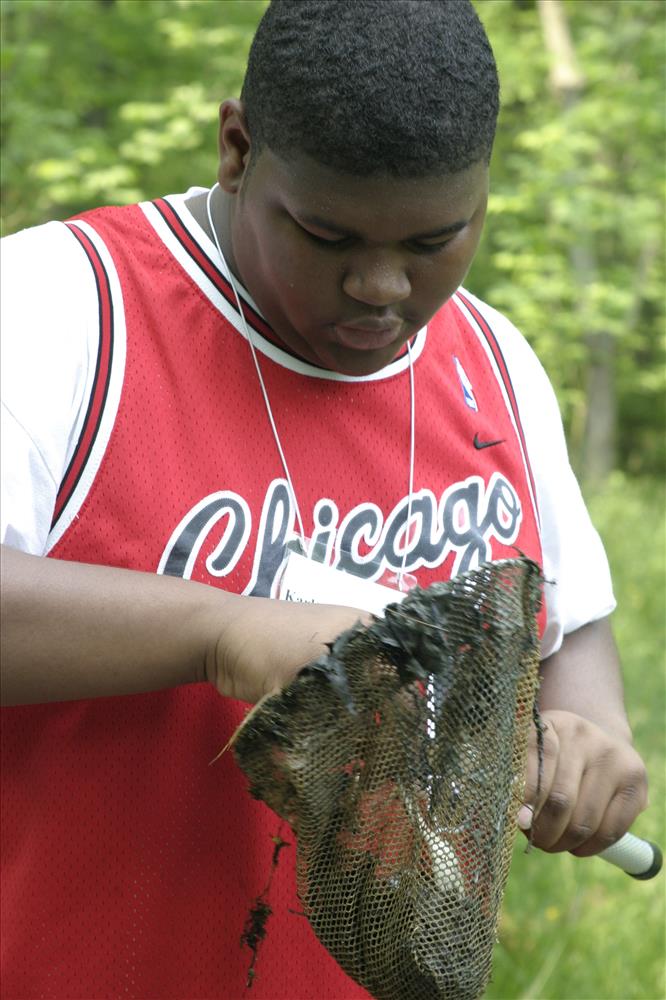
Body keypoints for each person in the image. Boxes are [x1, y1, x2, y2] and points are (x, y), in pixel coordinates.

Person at [0, 1, 649, 998]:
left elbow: (571, 624)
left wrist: (591, 731)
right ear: (237, 149)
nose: (382, 286)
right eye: (327, 234)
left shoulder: (493, 360)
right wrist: (224, 632)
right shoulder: (62, 306)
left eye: (436, 239)